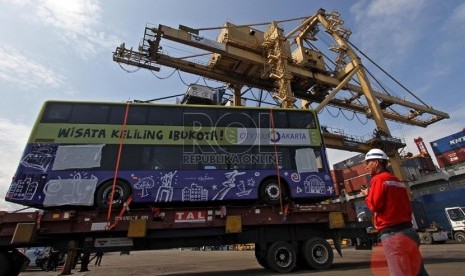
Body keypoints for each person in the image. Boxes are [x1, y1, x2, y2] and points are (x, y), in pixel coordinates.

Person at [360, 148, 428, 276]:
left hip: (394, 235)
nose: (366, 167)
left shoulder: (378, 179)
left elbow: (374, 205)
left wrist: (367, 195)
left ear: (376, 162)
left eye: (367, 162)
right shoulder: (397, 181)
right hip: (409, 232)